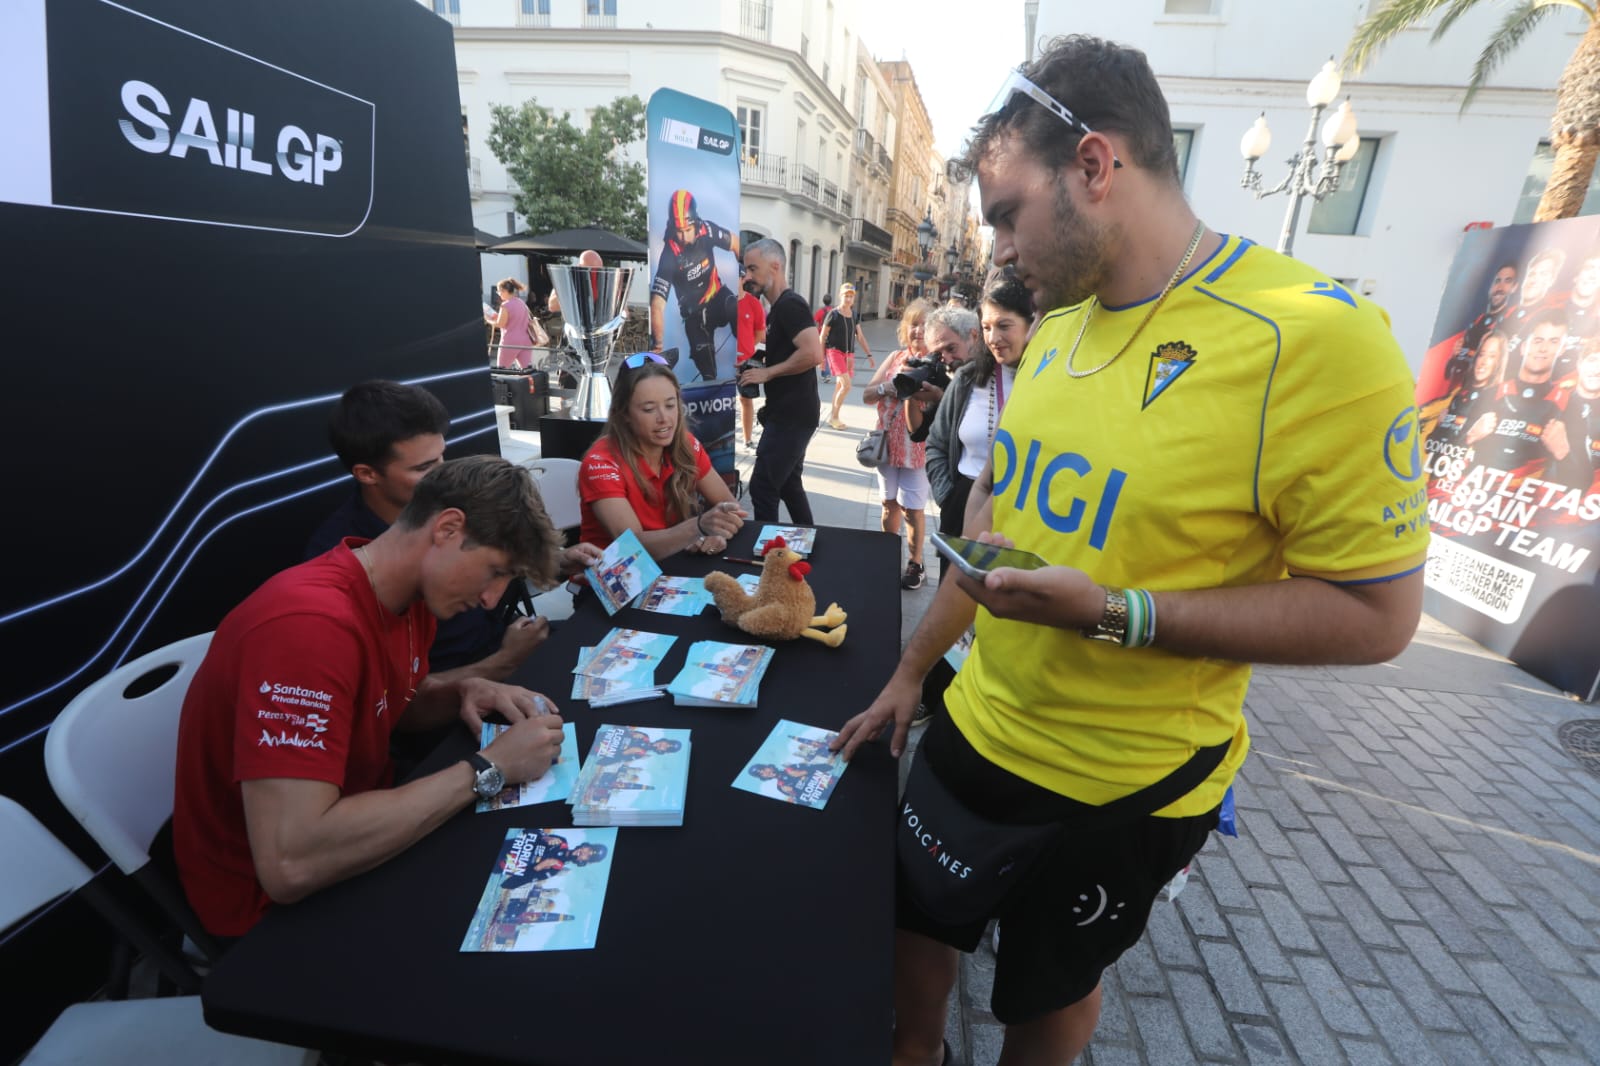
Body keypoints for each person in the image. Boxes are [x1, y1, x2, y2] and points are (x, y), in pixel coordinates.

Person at [831, 36, 1427, 1066]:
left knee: (1047, 996)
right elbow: (987, 537)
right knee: (915, 921)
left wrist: (1115, 611)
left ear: (1095, 166)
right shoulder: (1054, 333)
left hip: (1125, 788)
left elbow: (1379, 615)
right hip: (977, 724)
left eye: (1007, 212)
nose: (998, 250)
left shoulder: (1318, 336)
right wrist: (910, 670)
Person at [174, 456, 574, 938]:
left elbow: (392, 706)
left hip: (364, 834)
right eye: (494, 571)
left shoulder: (406, 594)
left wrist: (460, 690)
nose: (492, 599)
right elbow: (291, 863)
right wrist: (490, 769)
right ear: (447, 529)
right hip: (267, 917)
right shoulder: (309, 630)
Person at [307, 381, 595, 679]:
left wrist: (554, 563)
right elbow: (400, 697)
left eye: (442, 457)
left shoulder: (455, 500)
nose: (441, 473)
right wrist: (503, 662)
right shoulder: (343, 564)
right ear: (367, 474)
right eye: (423, 468)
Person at [577, 354, 747, 559]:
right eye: (649, 409)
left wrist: (718, 533)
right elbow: (633, 547)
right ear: (624, 414)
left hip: (673, 569)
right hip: (616, 581)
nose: (664, 419)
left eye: (670, 405)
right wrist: (698, 528)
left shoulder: (685, 444)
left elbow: (730, 508)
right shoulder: (600, 464)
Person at [926, 272, 1033, 579]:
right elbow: (936, 443)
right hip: (962, 504)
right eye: (986, 327)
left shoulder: (1047, 380)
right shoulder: (969, 378)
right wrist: (948, 496)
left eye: (1004, 325)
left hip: (1017, 514)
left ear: (1032, 323)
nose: (993, 337)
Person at [739, 239, 825, 525]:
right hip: (790, 413)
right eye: (746, 269)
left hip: (792, 416)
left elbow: (813, 353)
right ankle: (809, 539)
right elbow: (792, 352)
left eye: (753, 268)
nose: (747, 276)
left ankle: (768, 558)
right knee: (788, 484)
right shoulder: (777, 309)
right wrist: (761, 362)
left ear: (775, 266)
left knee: (763, 488)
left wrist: (768, 372)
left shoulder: (790, 305)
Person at [862, 299, 938, 592]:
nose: (918, 330)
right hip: (887, 446)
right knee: (888, 504)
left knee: (912, 509)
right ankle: (885, 555)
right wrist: (887, 387)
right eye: (914, 324)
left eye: (925, 324)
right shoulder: (895, 356)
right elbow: (868, 394)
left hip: (918, 449)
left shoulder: (938, 362)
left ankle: (915, 562)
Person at [1468, 308, 1574, 477]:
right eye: (1538, 340)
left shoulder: (1570, 404)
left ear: (1562, 349)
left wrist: (1564, 454)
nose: (1543, 349)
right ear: (1524, 347)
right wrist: (1471, 436)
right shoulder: (1490, 394)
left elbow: (1583, 481)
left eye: (1553, 342)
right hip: (1476, 492)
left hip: (1525, 497)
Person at [650, 190, 741, 382]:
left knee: (735, 305)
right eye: (679, 231)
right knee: (706, 365)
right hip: (695, 315)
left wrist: (745, 269)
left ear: (695, 223)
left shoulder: (706, 230)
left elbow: (734, 242)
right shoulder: (669, 254)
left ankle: (744, 356)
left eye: (687, 230)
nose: (683, 237)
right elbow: (657, 304)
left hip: (717, 298)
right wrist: (657, 346)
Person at [1445, 261, 1517, 389]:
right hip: (1457, 394)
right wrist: (1455, 356)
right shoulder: (1477, 321)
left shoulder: (1512, 322)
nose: (1500, 287)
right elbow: (1449, 372)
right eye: (1497, 281)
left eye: (1507, 281)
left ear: (1515, 287)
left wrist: (1471, 354)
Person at [1431, 331, 1507, 448]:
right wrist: (1439, 425)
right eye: (1482, 354)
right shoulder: (1460, 395)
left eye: (1492, 356)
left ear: (1499, 362)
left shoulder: (1499, 402)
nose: (1483, 362)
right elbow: (1429, 444)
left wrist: (1472, 438)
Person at [822, 283, 874, 430]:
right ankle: (834, 417)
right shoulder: (833, 314)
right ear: (840, 296)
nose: (849, 298)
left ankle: (834, 416)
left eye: (851, 296)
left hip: (849, 355)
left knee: (839, 386)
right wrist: (821, 359)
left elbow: (860, 337)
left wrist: (869, 354)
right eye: (846, 295)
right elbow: (822, 336)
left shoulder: (854, 315)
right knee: (846, 386)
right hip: (834, 352)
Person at [736, 268, 768, 451]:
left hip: (746, 361)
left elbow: (759, 334)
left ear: (742, 279)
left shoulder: (753, 303)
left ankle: (747, 439)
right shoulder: (718, 300)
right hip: (722, 361)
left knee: (745, 400)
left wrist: (746, 351)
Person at [485, 278, 549, 369]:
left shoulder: (505, 305)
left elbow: (500, 324)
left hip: (510, 342)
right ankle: (532, 383)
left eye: (499, 292)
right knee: (527, 370)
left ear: (504, 291)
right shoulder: (521, 303)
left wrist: (489, 320)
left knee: (502, 370)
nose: (499, 294)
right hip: (525, 341)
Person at [547, 249, 605, 314]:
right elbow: (552, 306)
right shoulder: (567, 279)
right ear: (579, 267)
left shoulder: (604, 282)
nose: (593, 274)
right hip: (573, 322)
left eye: (597, 271)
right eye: (588, 270)